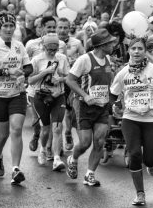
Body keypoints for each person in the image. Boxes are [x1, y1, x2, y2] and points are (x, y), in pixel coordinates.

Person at [110, 37, 153, 205]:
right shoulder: (123, 72)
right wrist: (115, 105)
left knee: (149, 159)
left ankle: (152, 164)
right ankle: (140, 193)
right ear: (129, 51)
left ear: (145, 51)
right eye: (134, 49)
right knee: (134, 154)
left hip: (152, 118)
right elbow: (113, 94)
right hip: (130, 118)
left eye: (140, 48)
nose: (137, 51)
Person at [65, 28, 117, 187]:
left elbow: (111, 80)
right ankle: (72, 158)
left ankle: (90, 174)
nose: (113, 45)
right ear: (101, 45)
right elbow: (70, 80)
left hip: (102, 107)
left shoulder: (108, 59)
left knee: (100, 141)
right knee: (85, 142)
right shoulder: (85, 60)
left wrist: (114, 99)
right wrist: (86, 96)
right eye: (110, 43)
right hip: (84, 106)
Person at [0, 13, 32, 184]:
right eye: (5, 26)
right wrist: (6, 72)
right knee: (3, 134)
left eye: (11, 26)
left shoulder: (19, 45)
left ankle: (15, 169)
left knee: (16, 129)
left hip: (18, 93)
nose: (9, 29)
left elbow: (29, 67)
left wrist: (22, 73)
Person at [27, 33, 69, 171]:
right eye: (49, 49)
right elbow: (30, 80)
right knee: (45, 129)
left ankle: (56, 159)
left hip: (58, 96)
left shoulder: (62, 58)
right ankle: (43, 149)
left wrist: (60, 79)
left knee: (57, 128)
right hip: (41, 97)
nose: (52, 52)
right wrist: (45, 72)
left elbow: (69, 76)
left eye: (55, 49)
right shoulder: (37, 60)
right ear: (44, 47)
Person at [57, 17, 85, 152]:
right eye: (60, 27)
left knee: (69, 111)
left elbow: (85, 58)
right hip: (55, 82)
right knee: (57, 114)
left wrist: (75, 61)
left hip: (70, 81)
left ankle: (68, 133)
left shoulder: (77, 43)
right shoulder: (50, 42)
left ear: (70, 28)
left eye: (65, 27)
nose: (62, 30)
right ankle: (54, 145)